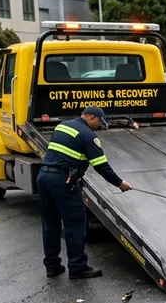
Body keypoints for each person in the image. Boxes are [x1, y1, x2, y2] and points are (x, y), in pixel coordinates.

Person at [38, 107, 131, 279]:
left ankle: (52, 266)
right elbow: (101, 166)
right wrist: (120, 183)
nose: (98, 127)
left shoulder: (62, 126)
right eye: (98, 122)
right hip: (63, 181)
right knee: (75, 223)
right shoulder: (88, 136)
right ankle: (77, 267)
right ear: (91, 118)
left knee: (50, 224)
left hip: (43, 177)